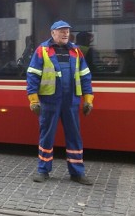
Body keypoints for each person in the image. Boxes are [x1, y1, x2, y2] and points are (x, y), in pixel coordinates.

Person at [26, 20, 94, 185]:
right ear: (52, 33)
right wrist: (33, 99)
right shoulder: (42, 50)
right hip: (50, 100)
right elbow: (32, 75)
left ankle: (77, 172)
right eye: (61, 31)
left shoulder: (76, 51)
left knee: (74, 137)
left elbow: (85, 76)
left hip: (71, 100)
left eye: (67, 31)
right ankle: (43, 171)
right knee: (47, 136)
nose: (65, 34)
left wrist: (88, 99)